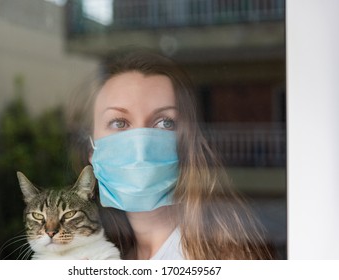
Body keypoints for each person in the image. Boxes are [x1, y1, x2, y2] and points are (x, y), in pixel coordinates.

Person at [71, 50, 272, 260]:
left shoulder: (222, 257)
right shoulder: (113, 258)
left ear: (187, 142)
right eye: (119, 123)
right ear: (92, 150)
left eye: (165, 122)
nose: (141, 145)